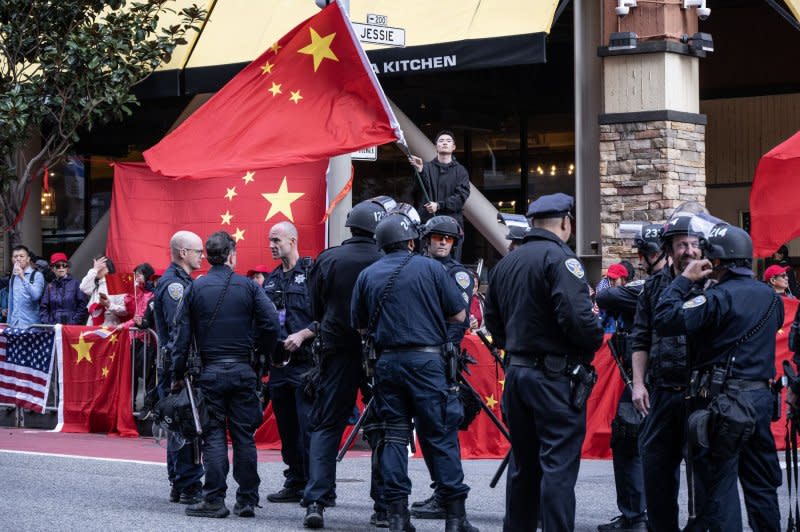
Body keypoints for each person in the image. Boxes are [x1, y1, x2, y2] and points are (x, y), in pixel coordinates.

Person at [484, 192, 603, 532]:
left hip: (518, 373)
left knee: (524, 464)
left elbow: (493, 320)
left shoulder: (506, 263)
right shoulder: (561, 260)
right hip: (553, 377)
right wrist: (591, 340)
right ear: (567, 222)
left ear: (532, 223)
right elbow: (579, 321)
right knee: (557, 467)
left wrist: (516, 350)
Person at [351, 212, 477, 532]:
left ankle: (396, 516)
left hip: (388, 365)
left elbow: (361, 326)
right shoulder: (433, 269)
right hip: (428, 364)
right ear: (412, 241)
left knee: (393, 437)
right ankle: (455, 517)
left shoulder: (367, 275)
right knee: (440, 435)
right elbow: (460, 314)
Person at [654, 222, 782, 532]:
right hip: (760, 399)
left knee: (719, 487)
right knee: (761, 485)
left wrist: (684, 279)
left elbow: (665, 317)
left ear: (716, 262)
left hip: (722, 402)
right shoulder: (771, 297)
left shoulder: (716, 298)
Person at [169, 231, 280, 519]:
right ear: (231, 254)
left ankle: (215, 499)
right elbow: (271, 323)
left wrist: (177, 372)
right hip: (243, 369)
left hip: (210, 372)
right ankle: (246, 500)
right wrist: (262, 355)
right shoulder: (249, 287)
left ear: (209, 255)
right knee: (244, 436)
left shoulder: (196, 288)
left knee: (214, 436)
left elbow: (181, 337)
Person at [301, 197, 390, 529]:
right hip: (377, 353)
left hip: (336, 351)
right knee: (381, 426)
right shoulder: (385, 259)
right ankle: (383, 506)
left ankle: (316, 500)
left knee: (326, 425)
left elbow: (316, 309)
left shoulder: (329, 259)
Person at [629, 214, 706, 532]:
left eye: (693, 244)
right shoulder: (653, 287)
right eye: (681, 244)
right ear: (669, 250)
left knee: (705, 479)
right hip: (661, 393)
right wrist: (637, 384)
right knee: (657, 474)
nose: (689, 250)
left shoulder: (713, 282)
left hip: (702, 396)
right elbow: (640, 337)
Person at [410, 215, 474, 522]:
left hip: (441, 357)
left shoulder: (458, 275)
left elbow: (457, 323)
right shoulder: (417, 267)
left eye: (448, 239)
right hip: (419, 354)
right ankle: (442, 490)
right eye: (437, 237)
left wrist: (443, 349)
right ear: (427, 239)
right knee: (425, 429)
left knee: (441, 429)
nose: (443, 242)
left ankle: (448, 496)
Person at [263, 221, 319, 504]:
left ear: (292, 241)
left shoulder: (312, 274)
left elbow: (327, 317)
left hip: (306, 364)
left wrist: (303, 334)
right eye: (270, 240)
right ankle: (294, 480)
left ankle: (314, 486)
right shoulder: (271, 280)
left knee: (308, 427)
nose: (272, 245)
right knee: (287, 428)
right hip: (279, 366)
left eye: (277, 240)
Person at [152, 231, 206, 506]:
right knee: (187, 424)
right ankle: (188, 484)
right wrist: (180, 369)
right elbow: (177, 330)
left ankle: (179, 481)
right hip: (178, 366)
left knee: (178, 424)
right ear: (183, 253)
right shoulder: (175, 286)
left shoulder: (181, 282)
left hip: (174, 365)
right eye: (198, 250)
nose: (202, 255)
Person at [595, 261, 648, 531]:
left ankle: (637, 516)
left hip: (650, 380)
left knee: (629, 443)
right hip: (657, 379)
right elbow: (604, 295)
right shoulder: (652, 286)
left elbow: (604, 295)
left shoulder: (647, 287)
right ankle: (639, 515)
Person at [408, 130, 471, 260]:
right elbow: (418, 192)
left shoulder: (461, 171)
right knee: (425, 263)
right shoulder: (426, 167)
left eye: (448, 141)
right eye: (441, 141)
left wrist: (439, 205)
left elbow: (461, 197)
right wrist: (420, 170)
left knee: (450, 265)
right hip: (428, 226)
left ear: (453, 147)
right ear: (436, 146)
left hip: (451, 227)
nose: (444, 143)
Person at [79, 255, 130, 327]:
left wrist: (109, 305)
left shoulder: (118, 285)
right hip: (92, 328)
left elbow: (125, 311)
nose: (97, 269)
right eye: (96, 266)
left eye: (100, 266)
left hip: (110, 329)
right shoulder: (96, 286)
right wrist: (94, 269)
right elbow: (83, 287)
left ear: (107, 269)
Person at [39, 252, 88, 325]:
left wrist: (74, 321)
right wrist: (49, 324)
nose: (61, 268)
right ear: (52, 268)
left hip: (72, 328)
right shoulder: (50, 286)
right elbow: (43, 308)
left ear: (67, 268)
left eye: (64, 265)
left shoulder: (76, 284)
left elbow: (83, 306)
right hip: (54, 328)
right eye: (58, 265)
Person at [6, 245, 46, 328]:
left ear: (28, 259)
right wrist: (8, 323)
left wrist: (22, 277)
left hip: (31, 325)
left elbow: (36, 296)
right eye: (15, 256)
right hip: (14, 324)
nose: (18, 259)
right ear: (12, 259)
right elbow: (11, 302)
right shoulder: (13, 278)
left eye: (21, 256)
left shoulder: (37, 275)